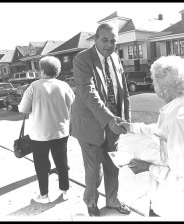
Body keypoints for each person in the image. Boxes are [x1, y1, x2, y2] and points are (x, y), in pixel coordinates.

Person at [119, 55, 184, 217]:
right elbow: (162, 132)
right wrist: (132, 127)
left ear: (161, 87)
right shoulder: (182, 106)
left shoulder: (180, 119)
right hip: (170, 200)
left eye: (154, 80)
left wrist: (147, 167)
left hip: (174, 206)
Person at [71, 23, 131, 216]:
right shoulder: (82, 59)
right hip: (90, 124)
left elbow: (123, 90)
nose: (109, 44)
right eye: (105, 40)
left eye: (113, 41)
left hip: (114, 124)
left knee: (113, 166)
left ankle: (112, 200)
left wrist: (126, 119)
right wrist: (109, 119)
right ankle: (91, 201)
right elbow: (88, 93)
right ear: (95, 39)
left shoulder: (115, 58)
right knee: (94, 171)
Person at [18, 56, 75, 203]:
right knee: (62, 162)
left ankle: (44, 195)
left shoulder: (34, 86)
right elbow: (72, 104)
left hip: (40, 134)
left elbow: (23, 109)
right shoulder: (64, 85)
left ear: (42, 70)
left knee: (42, 164)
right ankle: (65, 191)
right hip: (61, 131)